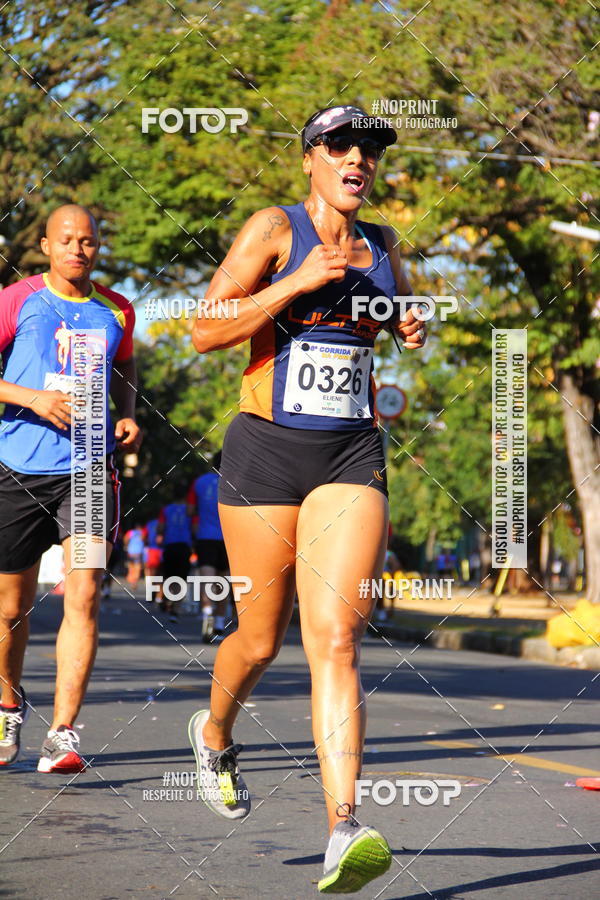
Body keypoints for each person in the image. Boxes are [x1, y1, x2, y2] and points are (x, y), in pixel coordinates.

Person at [189, 105, 426, 893]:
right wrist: (295, 282)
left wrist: (405, 322)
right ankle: (216, 733)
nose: (358, 159)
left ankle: (343, 829)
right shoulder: (274, 229)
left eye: (369, 150)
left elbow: (389, 314)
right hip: (264, 452)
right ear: (311, 160)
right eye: (341, 146)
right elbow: (202, 329)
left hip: (350, 452)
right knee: (260, 642)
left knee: (336, 636)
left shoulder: (387, 244)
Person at [0, 204, 140, 772]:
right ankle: (7, 705)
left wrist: (128, 414)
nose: (77, 250)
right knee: (9, 607)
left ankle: (62, 733)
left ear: (96, 248)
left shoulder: (118, 311)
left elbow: (126, 370)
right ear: (44, 245)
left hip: (86, 470)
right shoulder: (17, 299)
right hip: (16, 467)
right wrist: (32, 398)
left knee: (82, 594)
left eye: (87, 241)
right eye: (66, 240)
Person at [187, 451, 230, 642]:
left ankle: (206, 614)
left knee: (207, 578)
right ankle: (220, 624)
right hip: (230, 537)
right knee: (224, 581)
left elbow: (189, 510)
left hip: (205, 536)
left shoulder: (199, 482)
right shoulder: (236, 481)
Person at [157, 487, 193, 623]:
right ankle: (176, 609)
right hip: (184, 546)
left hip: (170, 545)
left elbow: (160, 528)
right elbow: (194, 527)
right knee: (182, 578)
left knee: (168, 576)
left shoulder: (166, 510)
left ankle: (169, 598)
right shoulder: (189, 511)